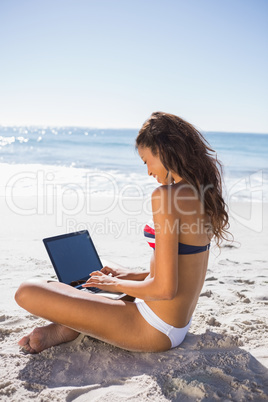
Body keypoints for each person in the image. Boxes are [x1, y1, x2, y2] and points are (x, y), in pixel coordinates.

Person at [15, 111, 230, 354]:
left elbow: (164, 289)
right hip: (176, 322)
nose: (148, 171)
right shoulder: (202, 192)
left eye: (146, 160)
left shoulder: (166, 196)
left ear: (162, 151)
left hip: (153, 327)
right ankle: (72, 324)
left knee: (27, 290)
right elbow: (184, 265)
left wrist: (115, 285)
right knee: (103, 265)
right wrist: (130, 275)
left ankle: (74, 323)